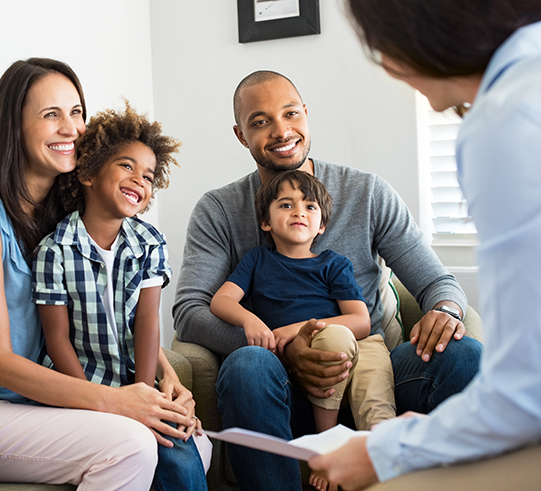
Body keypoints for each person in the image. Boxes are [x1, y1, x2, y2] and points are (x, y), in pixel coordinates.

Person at [173, 68, 483, 490]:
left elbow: (436, 283)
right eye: (260, 121)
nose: (282, 131)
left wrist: (445, 311)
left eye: (291, 113)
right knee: (248, 365)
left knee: (464, 355)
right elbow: (191, 312)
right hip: (275, 387)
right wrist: (284, 348)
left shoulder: (367, 193)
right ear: (240, 134)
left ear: (306, 114)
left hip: (372, 371)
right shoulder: (219, 210)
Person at [0, 58, 197, 490]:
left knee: (190, 443)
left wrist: (166, 378)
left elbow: (112, 311)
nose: (70, 128)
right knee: (132, 444)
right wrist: (116, 402)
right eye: (51, 115)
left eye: (76, 113)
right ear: (14, 126)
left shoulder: (69, 214)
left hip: (39, 401)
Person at [306, 1, 541, 489]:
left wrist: (389, 449)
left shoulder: (504, 121)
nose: (386, 66)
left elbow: (524, 394)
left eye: (378, 46)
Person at [32, 102, 210, 490]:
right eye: (126, 166)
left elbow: (147, 322)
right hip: (75, 385)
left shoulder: (149, 243)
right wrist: (93, 401)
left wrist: (146, 397)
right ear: (89, 172)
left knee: (180, 442)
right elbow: (56, 339)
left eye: (148, 175)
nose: (139, 180)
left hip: (133, 382)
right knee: (163, 449)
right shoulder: (55, 250)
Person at [211, 170, 394, 490]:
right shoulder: (257, 260)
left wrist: (295, 329)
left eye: (310, 207)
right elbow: (222, 300)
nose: (299, 211)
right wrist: (250, 320)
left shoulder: (333, 263)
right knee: (325, 342)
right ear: (265, 222)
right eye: (286, 205)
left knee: (369, 392)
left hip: (347, 346)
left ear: (322, 225)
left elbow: (360, 320)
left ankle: (376, 463)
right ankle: (325, 451)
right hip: (292, 373)